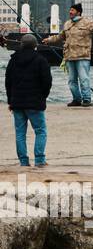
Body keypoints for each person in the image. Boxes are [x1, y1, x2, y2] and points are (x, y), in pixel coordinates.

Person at [43, 3, 93, 107]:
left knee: (84, 79)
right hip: (69, 56)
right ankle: (76, 99)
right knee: (72, 81)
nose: (70, 12)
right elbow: (60, 36)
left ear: (78, 12)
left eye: (72, 10)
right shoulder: (67, 24)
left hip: (83, 56)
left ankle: (86, 100)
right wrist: (48, 40)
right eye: (70, 10)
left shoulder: (87, 22)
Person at [5, 34, 52, 168]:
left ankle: (24, 162)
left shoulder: (13, 60)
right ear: (35, 46)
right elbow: (47, 81)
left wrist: (10, 101)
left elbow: (8, 82)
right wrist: (43, 96)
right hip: (35, 102)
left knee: (20, 133)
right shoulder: (41, 60)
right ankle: (39, 160)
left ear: (21, 45)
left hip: (17, 102)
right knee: (40, 131)